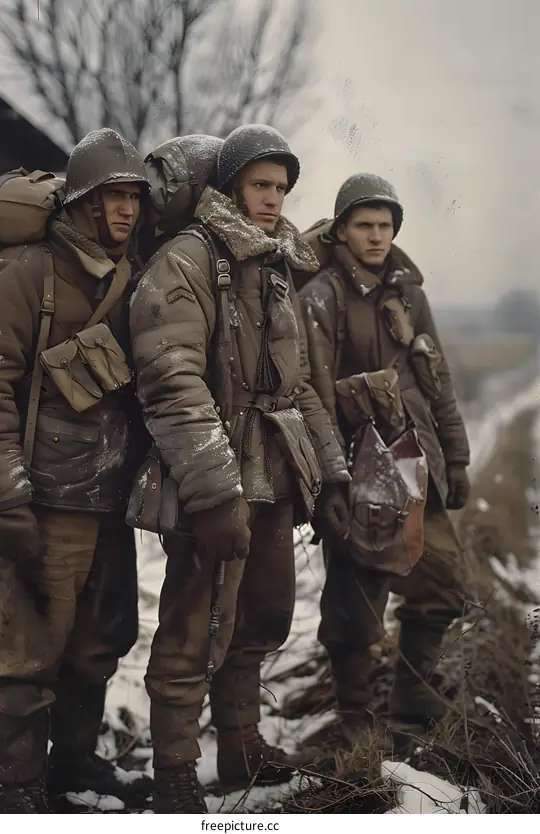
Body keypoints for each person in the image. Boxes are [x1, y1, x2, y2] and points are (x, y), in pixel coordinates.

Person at [129, 124, 350, 812]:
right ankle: (172, 770)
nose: (273, 199)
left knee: (264, 615)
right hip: (214, 474)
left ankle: (240, 746)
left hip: (277, 473)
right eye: (261, 184)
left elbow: (301, 384)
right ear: (230, 187)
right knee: (194, 628)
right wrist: (215, 495)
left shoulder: (277, 264)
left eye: (282, 188)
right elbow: (171, 382)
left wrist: (332, 473)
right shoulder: (187, 260)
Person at [0, 128, 152, 813]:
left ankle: (75, 765)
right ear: (83, 203)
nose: (125, 211)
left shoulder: (131, 273)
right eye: (111, 197)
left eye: (133, 198)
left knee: (99, 642)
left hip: (109, 497)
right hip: (42, 500)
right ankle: (23, 791)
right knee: (28, 655)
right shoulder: (25, 271)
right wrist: (4, 501)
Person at [299, 173, 471, 740]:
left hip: (417, 461)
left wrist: (458, 457)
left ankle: (412, 693)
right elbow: (315, 394)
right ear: (342, 230)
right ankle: (356, 719)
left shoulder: (408, 294)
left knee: (444, 582)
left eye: (385, 225)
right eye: (364, 225)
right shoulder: (321, 296)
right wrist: (332, 481)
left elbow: (436, 381)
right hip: (358, 463)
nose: (376, 235)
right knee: (355, 602)